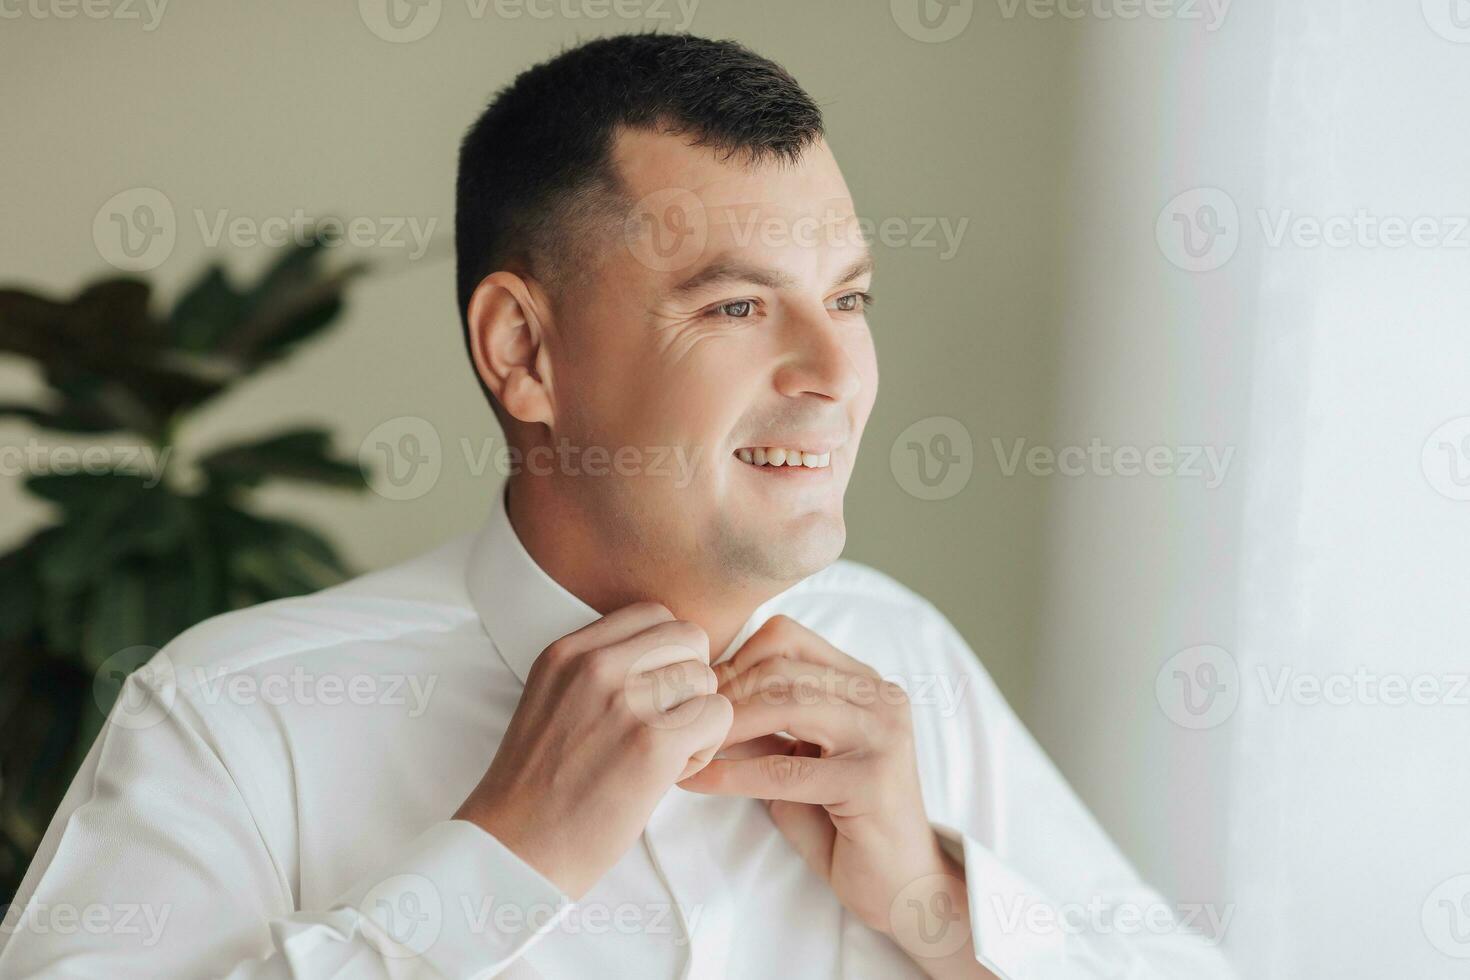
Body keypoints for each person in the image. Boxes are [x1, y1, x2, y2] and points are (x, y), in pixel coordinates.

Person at [0, 33, 1235, 979]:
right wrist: (494, 862)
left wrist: (934, 895)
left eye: (849, 299)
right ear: (526, 351)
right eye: (737, 306)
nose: (833, 372)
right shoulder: (232, 718)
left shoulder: (903, 657)